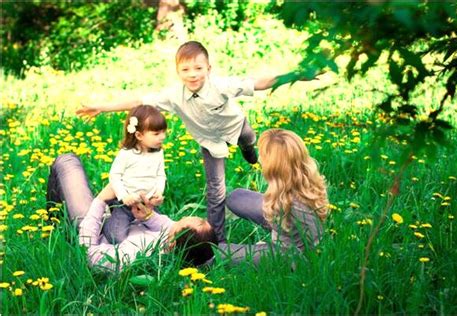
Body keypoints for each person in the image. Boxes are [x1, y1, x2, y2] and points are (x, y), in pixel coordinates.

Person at [77, 41, 318, 242]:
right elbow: (140, 100)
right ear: (178, 72)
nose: (192, 74)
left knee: (249, 139)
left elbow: (259, 83)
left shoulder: (221, 85)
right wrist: (103, 108)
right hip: (210, 142)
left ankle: (248, 149)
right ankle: (217, 240)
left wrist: (297, 75)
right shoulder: (173, 96)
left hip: (236, 127)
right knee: (216, 190)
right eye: (185, 70)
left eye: (198, 68)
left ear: (208, 68)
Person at [46, 153, 217, 270]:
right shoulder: (187, 248)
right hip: (121, 219)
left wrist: (100, 201)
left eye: (178, 224)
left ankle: (53, 228)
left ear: (171, 244)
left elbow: (88, 253)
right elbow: (167, 225)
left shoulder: (133, 256)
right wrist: (148, 215)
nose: (174, 222)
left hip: (91, 231)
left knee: (66, 161)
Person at [218, 129, 329, 264]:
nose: (259, 159)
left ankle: (266, 247)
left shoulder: (292, 201)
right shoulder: (303, 180)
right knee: (236, 197)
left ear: (275, 165)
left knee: (216, 252)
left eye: (263, 156)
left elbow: (309, 245)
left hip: (289, 255)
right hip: (287, 227)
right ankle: (271, 238)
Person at [90, 105, 167, 244]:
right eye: (156, 134)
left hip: (148, 204)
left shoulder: (158, 153)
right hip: (125, 205)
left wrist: (158, 193)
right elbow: (115, 176)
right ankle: (108, 220)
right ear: (139, 135)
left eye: (163, 132)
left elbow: (160, 175)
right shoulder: (127, 154)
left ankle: (139, 227)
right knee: (116, 237)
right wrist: (124, 196)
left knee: (163, 231)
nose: (163, 137)